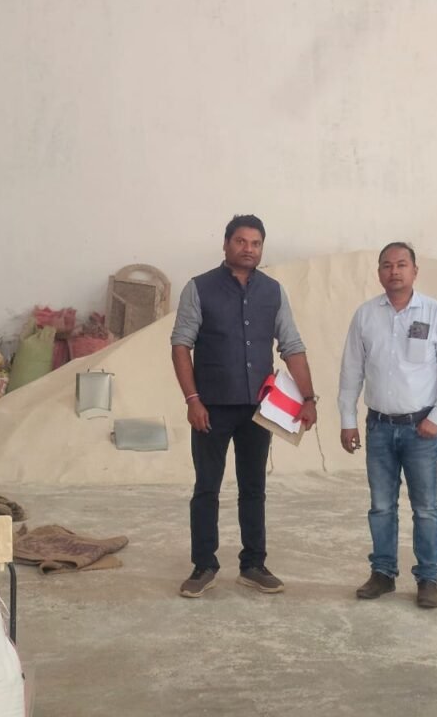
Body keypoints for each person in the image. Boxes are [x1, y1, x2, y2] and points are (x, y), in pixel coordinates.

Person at [170, 214, 317, 598]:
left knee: (254, 488)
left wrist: (308, 398)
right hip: (211, 408)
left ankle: (253, 565)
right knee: (207, 487)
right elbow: (181, 345)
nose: (248, 249)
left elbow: (292, 346)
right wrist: (192, 400)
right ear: (226, 244)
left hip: (258, 410)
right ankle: (203, 566)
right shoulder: (199, 288)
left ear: (261, 248)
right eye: (241, 241)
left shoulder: (273, 292)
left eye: (255, 243)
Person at [338, 243, 437, 609]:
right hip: (378, 428)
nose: (394, 271)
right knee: (381, 506)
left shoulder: (436, 313)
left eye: (401, 265)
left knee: (425, 507)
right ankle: (383, 574)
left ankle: (428, 578)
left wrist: (436, 418)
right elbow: (351, 371)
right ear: (379, 272)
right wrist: (348, 420)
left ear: (414, 271)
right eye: (386, 265)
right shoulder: (365, 315)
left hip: (420, 431)